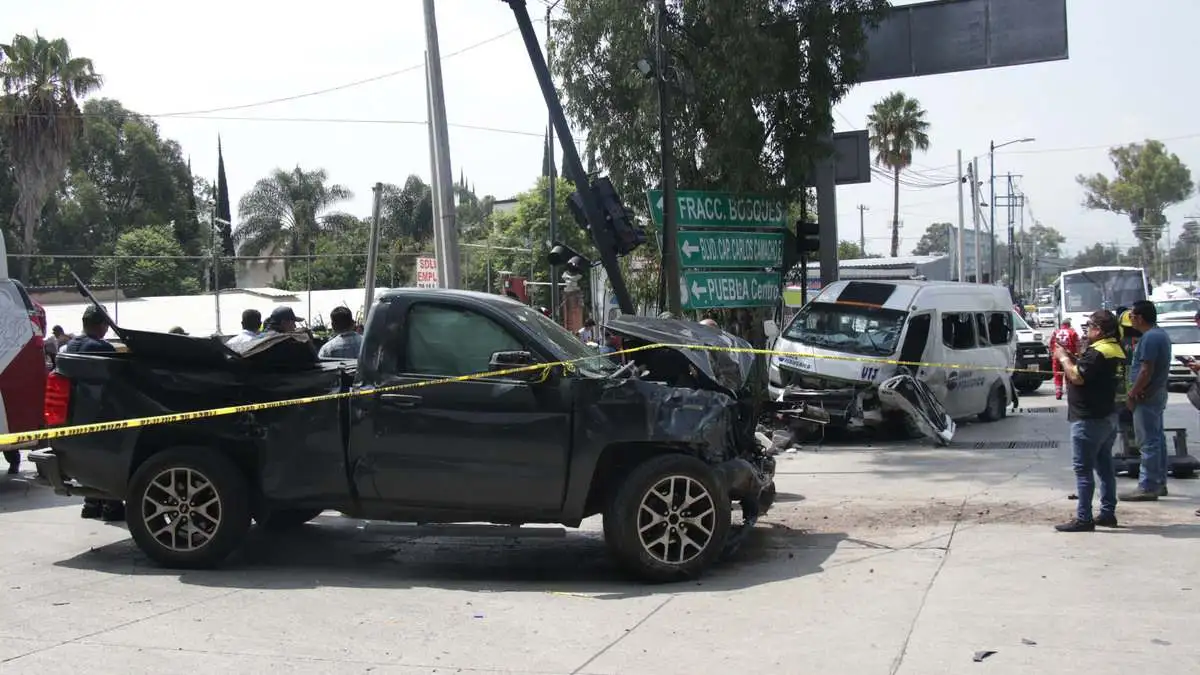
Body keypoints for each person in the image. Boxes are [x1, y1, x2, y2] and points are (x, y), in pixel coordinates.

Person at [1053, 310, 1125, 532]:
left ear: (1099, 330)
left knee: (1083, 469)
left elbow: (1078, 376)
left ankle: (1084, 518)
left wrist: (1063, 358)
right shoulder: (1115, 350)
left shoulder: (1098, 352)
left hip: (1089, 418)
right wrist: (1075, 358)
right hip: (1107, 415)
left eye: (1090, 327)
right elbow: (1092, 373)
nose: (1087, 331)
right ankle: (1107, 512)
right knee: (1105, 467)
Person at [63, 306, 124, 521]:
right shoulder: (102, 348)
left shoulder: (68, 347)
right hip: (101, 415)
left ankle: (90, 505)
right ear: (102, 325)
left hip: (73, 416)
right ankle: (112, 506)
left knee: (86, 460)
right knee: (110, 461)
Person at [1123, 300, 1171, 501]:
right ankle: (1158, 481)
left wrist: (1133, 393)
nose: (1130, 319)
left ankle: (1148, 485)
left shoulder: (1150, 338)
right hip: (1155, 393)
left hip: (1146, 395)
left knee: (1147, 441)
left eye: (1132, 316)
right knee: (1157, 438)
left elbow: (1146, 370)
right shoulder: (1159, 335)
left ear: (1140, 317)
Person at [1051, 318, 1080, 400]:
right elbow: (1078, 345)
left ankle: (1058, 393)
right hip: (1069, 356)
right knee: (1070, 374)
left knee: (1057, 374)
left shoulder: (1055, 332)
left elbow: (1051, 344)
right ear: (1069, 325)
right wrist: (1079, 356)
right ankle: (1069, 391)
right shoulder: (1073, 332)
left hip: (1057, 356)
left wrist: (1053, 353)